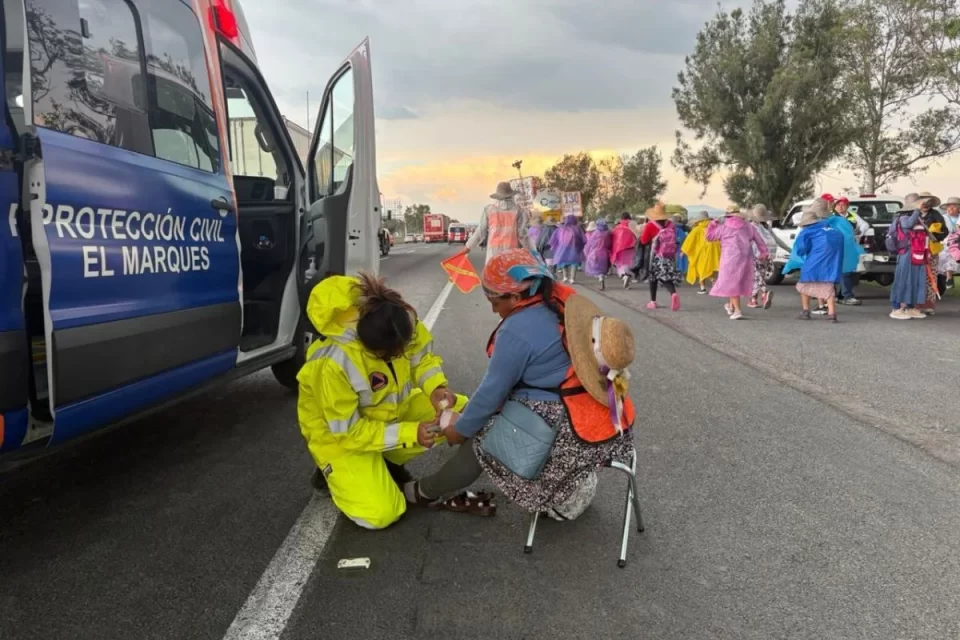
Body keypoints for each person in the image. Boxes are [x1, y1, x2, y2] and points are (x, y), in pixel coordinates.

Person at [405, 249, 635, 521]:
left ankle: (425, 491)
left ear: (515, 297)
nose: (492, 308)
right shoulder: (563, 302)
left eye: (493, 300)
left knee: (483, 436)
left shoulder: (517, 330)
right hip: (603, 430)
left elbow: (492, 393)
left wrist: (460, 429)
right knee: (492, 417)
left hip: (561, 468)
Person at [297, 273, 482, 530]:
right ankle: (329, 473)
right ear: (372, 349)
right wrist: (410, 433)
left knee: (466, 412)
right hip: (342, 438)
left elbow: (421, 358)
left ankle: (385, 462)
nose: (401, 355)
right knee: (382, 513)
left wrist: (435, 388)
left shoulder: (398, 318)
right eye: (393, 355)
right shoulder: (331, 363)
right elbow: (349, 432)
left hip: (390, 414)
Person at [706, 205, 770, 320]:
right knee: (737, 282)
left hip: (729, 258)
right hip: (746, 258)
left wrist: (712, 224)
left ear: (727, 216)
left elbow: (709, 237)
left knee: (731, 283)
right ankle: (730, 306)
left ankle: (737, 311)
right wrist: (763, 253)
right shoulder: (749, 226)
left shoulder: (723, 227)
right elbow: (759, 241)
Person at [787, 200, 844, 323]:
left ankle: (806, 311)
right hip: (832, 262)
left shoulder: (807, 232)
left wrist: (802, 254)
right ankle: (832, 314)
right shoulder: (833, 230)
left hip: (815, 260)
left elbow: (801, 249)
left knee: (805, 284)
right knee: (828, 286)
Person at [466, 182, 534, 264]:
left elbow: (480, 232)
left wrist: (468, 247)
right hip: (512, 254)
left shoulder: (489, 210)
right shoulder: (519, 211)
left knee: (492, 275)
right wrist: (533, 252)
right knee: (510, 276)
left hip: (493, 255)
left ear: (498, 196)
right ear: (511, 195)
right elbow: (523, 235)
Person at [888, 194, 932, 320]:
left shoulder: (917, 217)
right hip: (906, 253)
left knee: (916, 280)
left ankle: (910, 307)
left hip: (917, 254)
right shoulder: (903, 217)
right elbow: (908, 225)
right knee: (903, 279)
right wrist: (917, 211)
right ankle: (896, 308)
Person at [639, 202, 682, 311]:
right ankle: (673, 293)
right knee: (666, 276)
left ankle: (653, 302)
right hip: (670, 255)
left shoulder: (650, 225)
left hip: (656, 255)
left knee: (654, 277)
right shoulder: (671, 225)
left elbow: (644, 241)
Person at [829, 197, 867, 306]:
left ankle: (841, 295)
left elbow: (865, 225)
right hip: (837, 247)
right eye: (838, 205)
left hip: (850, 246)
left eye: (843, 205)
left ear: (847, 206)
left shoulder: (852, 215)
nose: (840, 207)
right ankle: (846, 295)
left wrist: (859, 232)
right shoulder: (832, 217)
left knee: (850, 271)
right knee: (844, 271)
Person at [914, 191, 948, 305]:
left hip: (931, 250)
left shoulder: (936, 215)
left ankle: (929, 303)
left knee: (931, 276)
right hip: (916, 250)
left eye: (928, 202)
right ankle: (917, 302)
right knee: (917, 276)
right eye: (923, 201)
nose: (925, 204)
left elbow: (944, 231)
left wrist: (933, 237)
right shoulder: (914, 214)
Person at [681, 211, 721, 294]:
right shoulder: (714, 227)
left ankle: (702, 288)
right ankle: (714, 284)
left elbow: (689, 241)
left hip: (702, 251)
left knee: (701, 268)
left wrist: (684, 251)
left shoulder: (697, 229)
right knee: (710, 267)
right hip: (714, 250)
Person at [748, 204, 778, 309]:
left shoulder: (750, 227)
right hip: (767, 256)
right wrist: (790, 250)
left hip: (755, 255)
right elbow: (777, 240)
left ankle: (764, 293)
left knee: (755, 277)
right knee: (759, 276)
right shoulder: (765, 227)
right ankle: (753, 300)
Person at [550, 214, 587, 283]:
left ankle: (565, 277)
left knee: (563, 261)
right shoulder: (578, 228)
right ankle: (572, 278)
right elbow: (584, 239)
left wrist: (556, 246)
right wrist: (580, 245)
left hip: (563, 248)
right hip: (575, 248)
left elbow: (554, 239)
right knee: (574, 263)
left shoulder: (561, 228)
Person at [611, 212, 638, 288]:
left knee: (621, 264)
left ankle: (624, 276)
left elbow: (613, 238)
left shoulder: (617, 227)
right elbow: (637, 235)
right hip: (631, 248)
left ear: (621, 218)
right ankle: (627, 279)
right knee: (629, 263)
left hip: (619, 249)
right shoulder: (632, 226)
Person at [584, 218, 613, 289]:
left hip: (595, 253)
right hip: (604, 253)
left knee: (595, 268)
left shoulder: (595, 233)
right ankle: (602, 277)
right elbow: (609, 243)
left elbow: (589, 244)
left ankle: (600, 277)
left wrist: (587, 253)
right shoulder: (607, 233)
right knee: (603, 269)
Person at [938, 197, 959, 290]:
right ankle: (949, 277)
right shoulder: (943, 218)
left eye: (953, 207)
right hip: (946, 242)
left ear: (958, 208)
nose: (950, 209)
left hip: (958, 242)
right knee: (945, 253)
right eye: (949, 207)